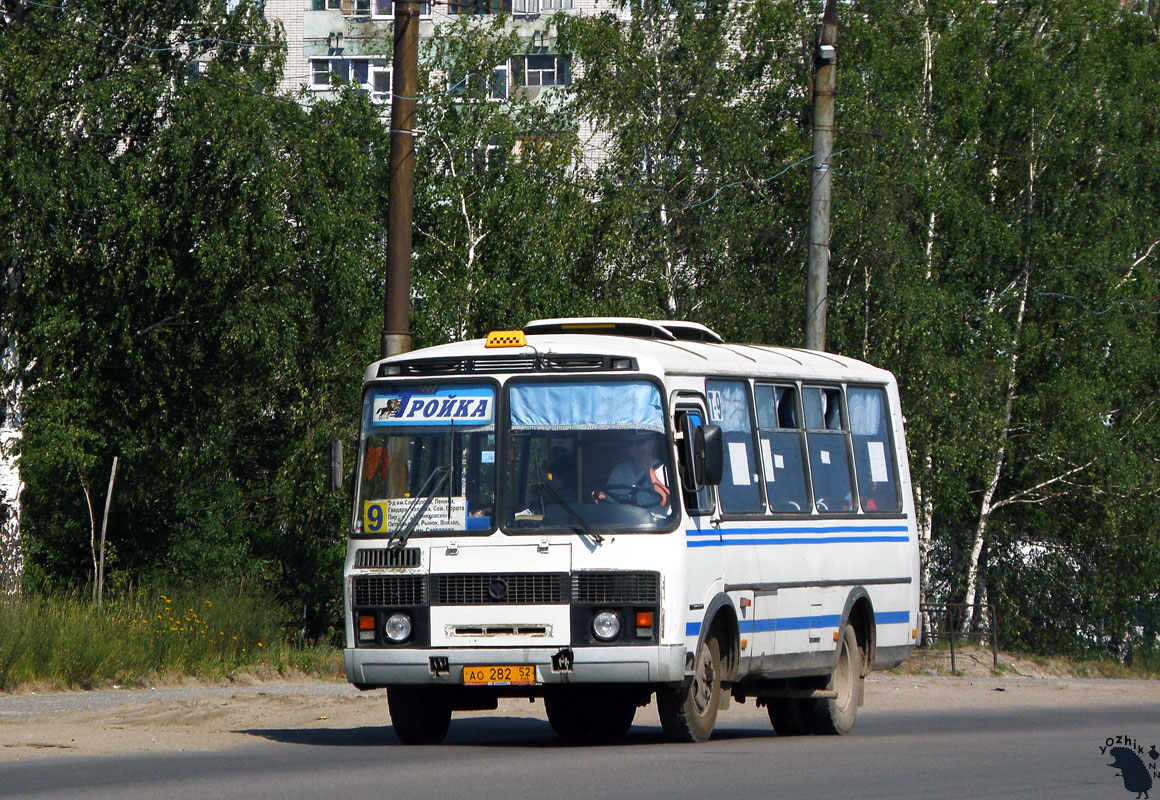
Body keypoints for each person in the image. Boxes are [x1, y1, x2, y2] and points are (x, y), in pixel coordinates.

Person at [594, 432, 671, 509]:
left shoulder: (664, 469)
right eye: (631, 444)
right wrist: (602, 497)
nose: (635, 448)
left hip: (655, 520)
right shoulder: (619, 470)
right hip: (626, 519)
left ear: (651, 443)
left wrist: (648, 470)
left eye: (640, 442)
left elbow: (664, 501)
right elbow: (611, 500)